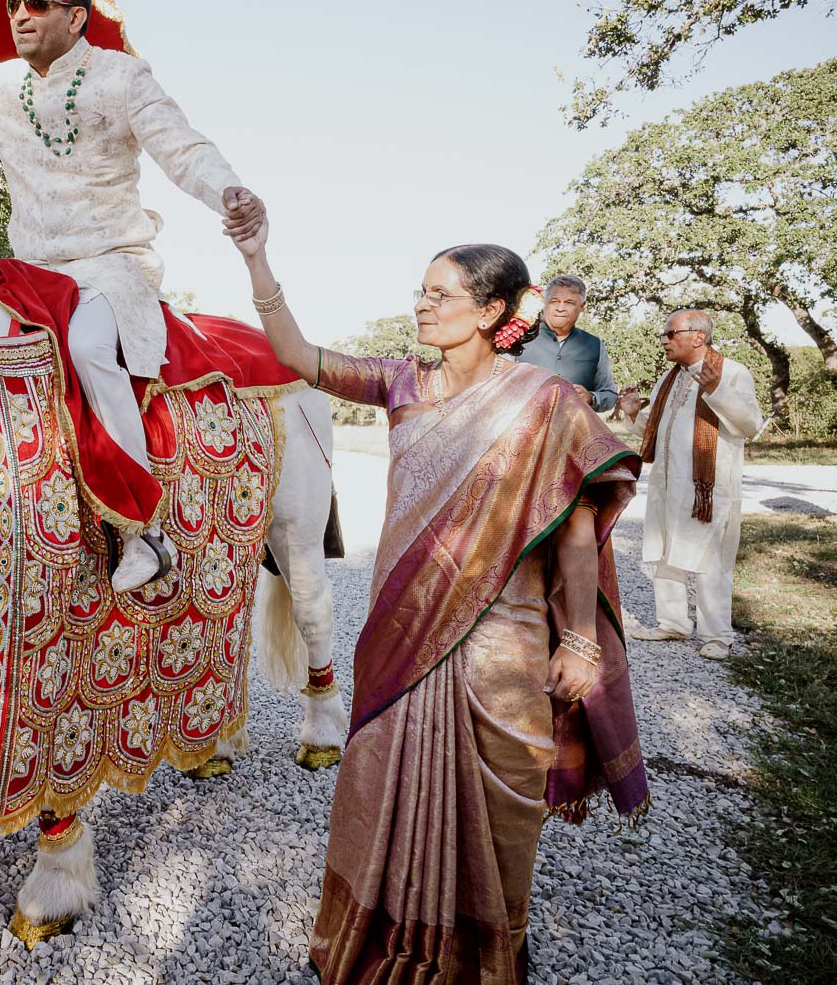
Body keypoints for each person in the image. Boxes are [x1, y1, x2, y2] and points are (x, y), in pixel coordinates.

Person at [229, 213, 648, 982]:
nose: (422, 305)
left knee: (495, 808)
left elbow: (580, 527)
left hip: (505, 644)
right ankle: (379, 944)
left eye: (440, 293)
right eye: (420, 292)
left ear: (492, 311)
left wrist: (582, 640)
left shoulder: (547, 401)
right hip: (402, 636)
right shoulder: (401, 383)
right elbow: (293, 354)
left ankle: (485, 955)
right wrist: (257, 256)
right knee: (375, 780)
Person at [0, 0, 264, 592]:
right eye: (14, 3)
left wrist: (231, 194)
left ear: (77, 17)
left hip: (111, 265)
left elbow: (184, 149)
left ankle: (144, 532)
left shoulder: (124, 78)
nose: (19, 15)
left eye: (37, 3)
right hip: (30, 273)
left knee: (86, 346)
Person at [615, 309, 762, 660]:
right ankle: (673, 623)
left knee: (711, 559)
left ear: (698, 336)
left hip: (708, 488)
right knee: (665, 551)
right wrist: (635, 412)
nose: (664, 340)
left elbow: (750, 424)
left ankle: (717, 635)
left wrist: (717, 390)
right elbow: (653, 427)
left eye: (670, 333)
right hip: (667, 481)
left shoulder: (732, 372)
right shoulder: (670, 376)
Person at [517, 273, 618, 412]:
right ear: (544, 303)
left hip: (575, 432)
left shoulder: (595, 345)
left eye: (569, 303)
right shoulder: (520, 337)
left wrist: (591, 398)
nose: (560, 308)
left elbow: (610, 394)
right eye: (554, 301)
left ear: (582, 307)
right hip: (523, 431)